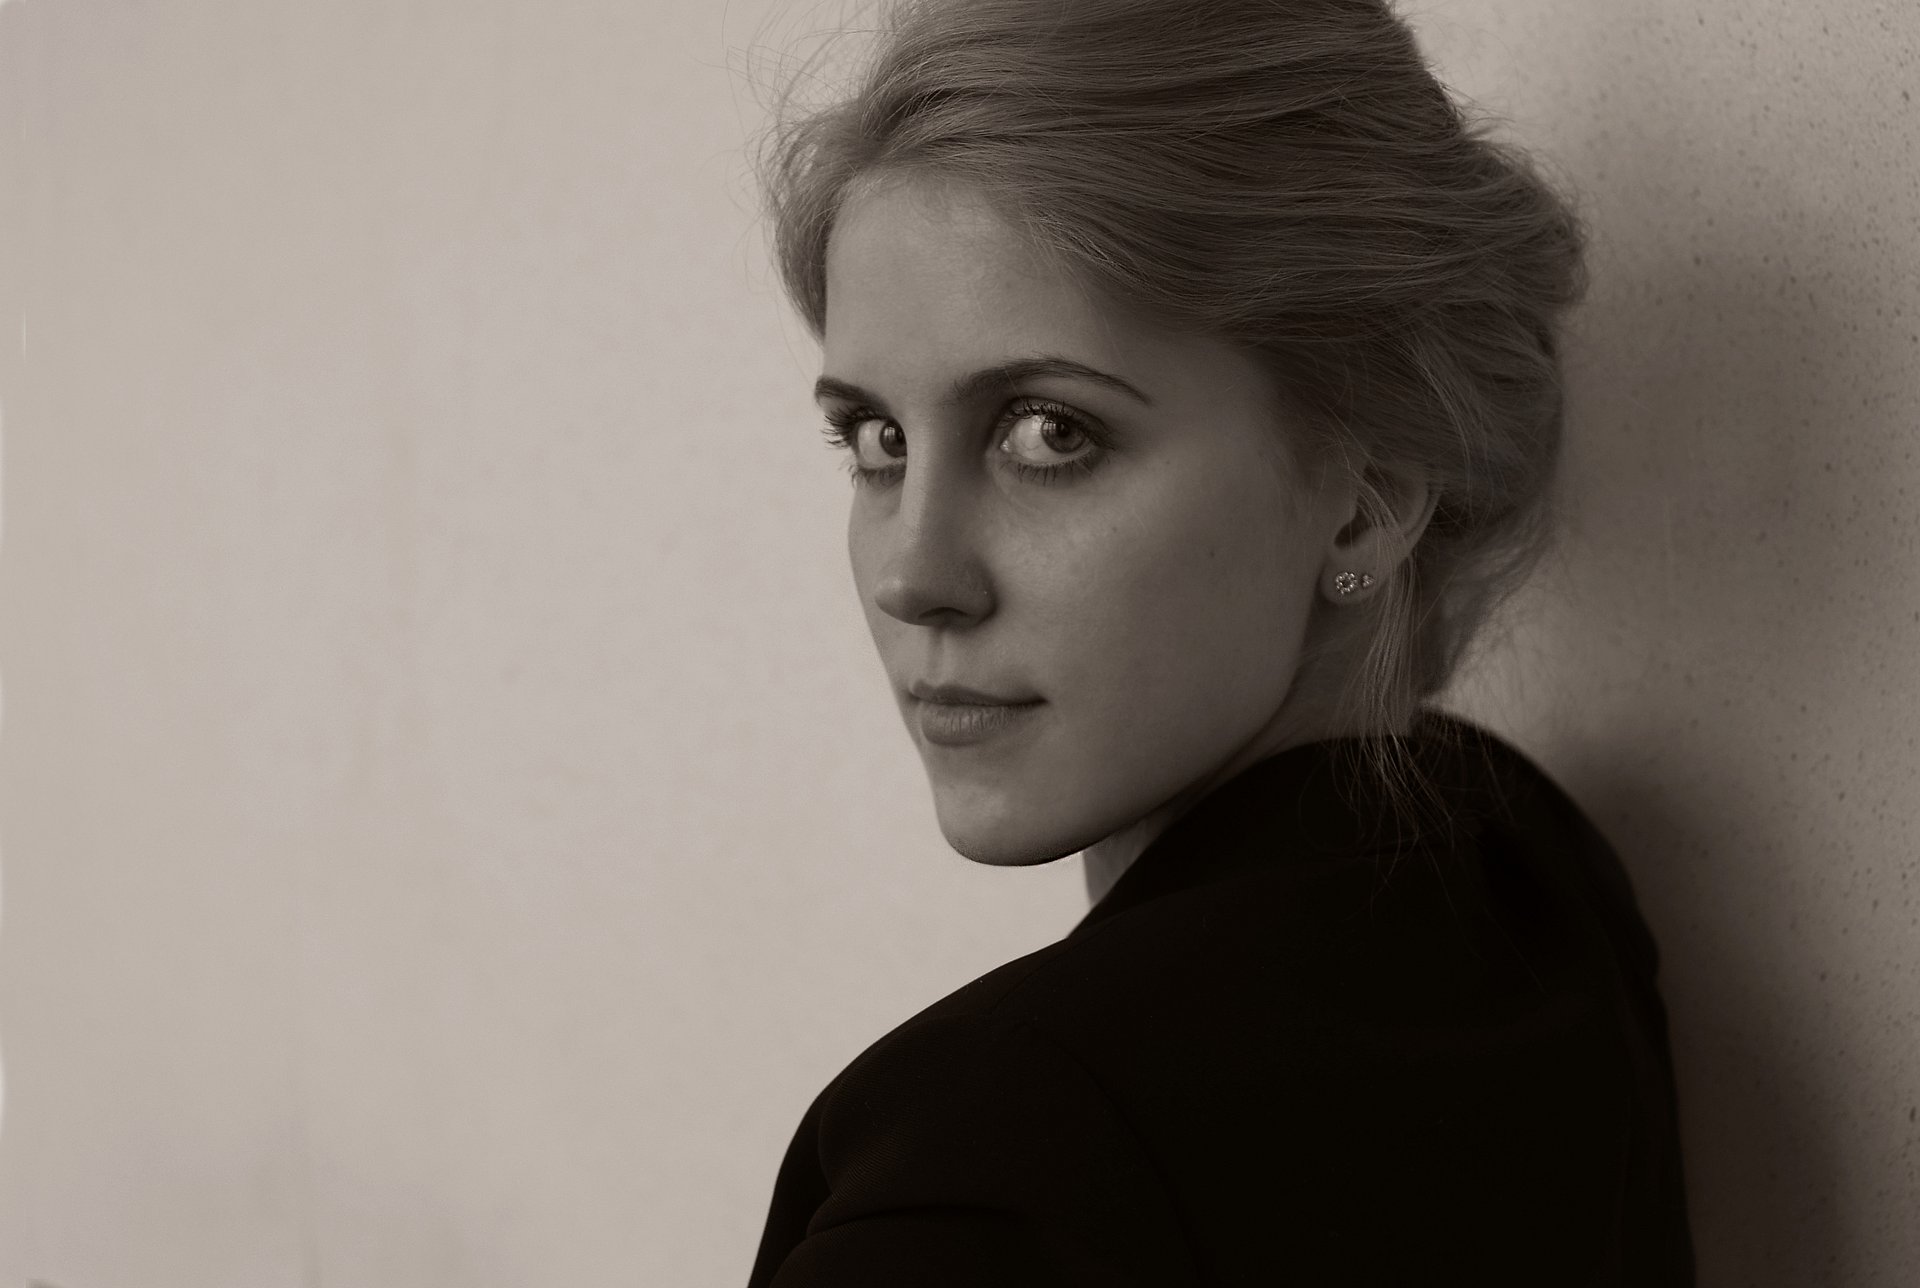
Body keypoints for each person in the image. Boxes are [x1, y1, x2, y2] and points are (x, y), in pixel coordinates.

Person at [743, 0, 1695, 1282]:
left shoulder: (998, 1159)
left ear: (1367, 500)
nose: (915, 577)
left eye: (1049, 433)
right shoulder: (1528, 890)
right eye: (878, 441)